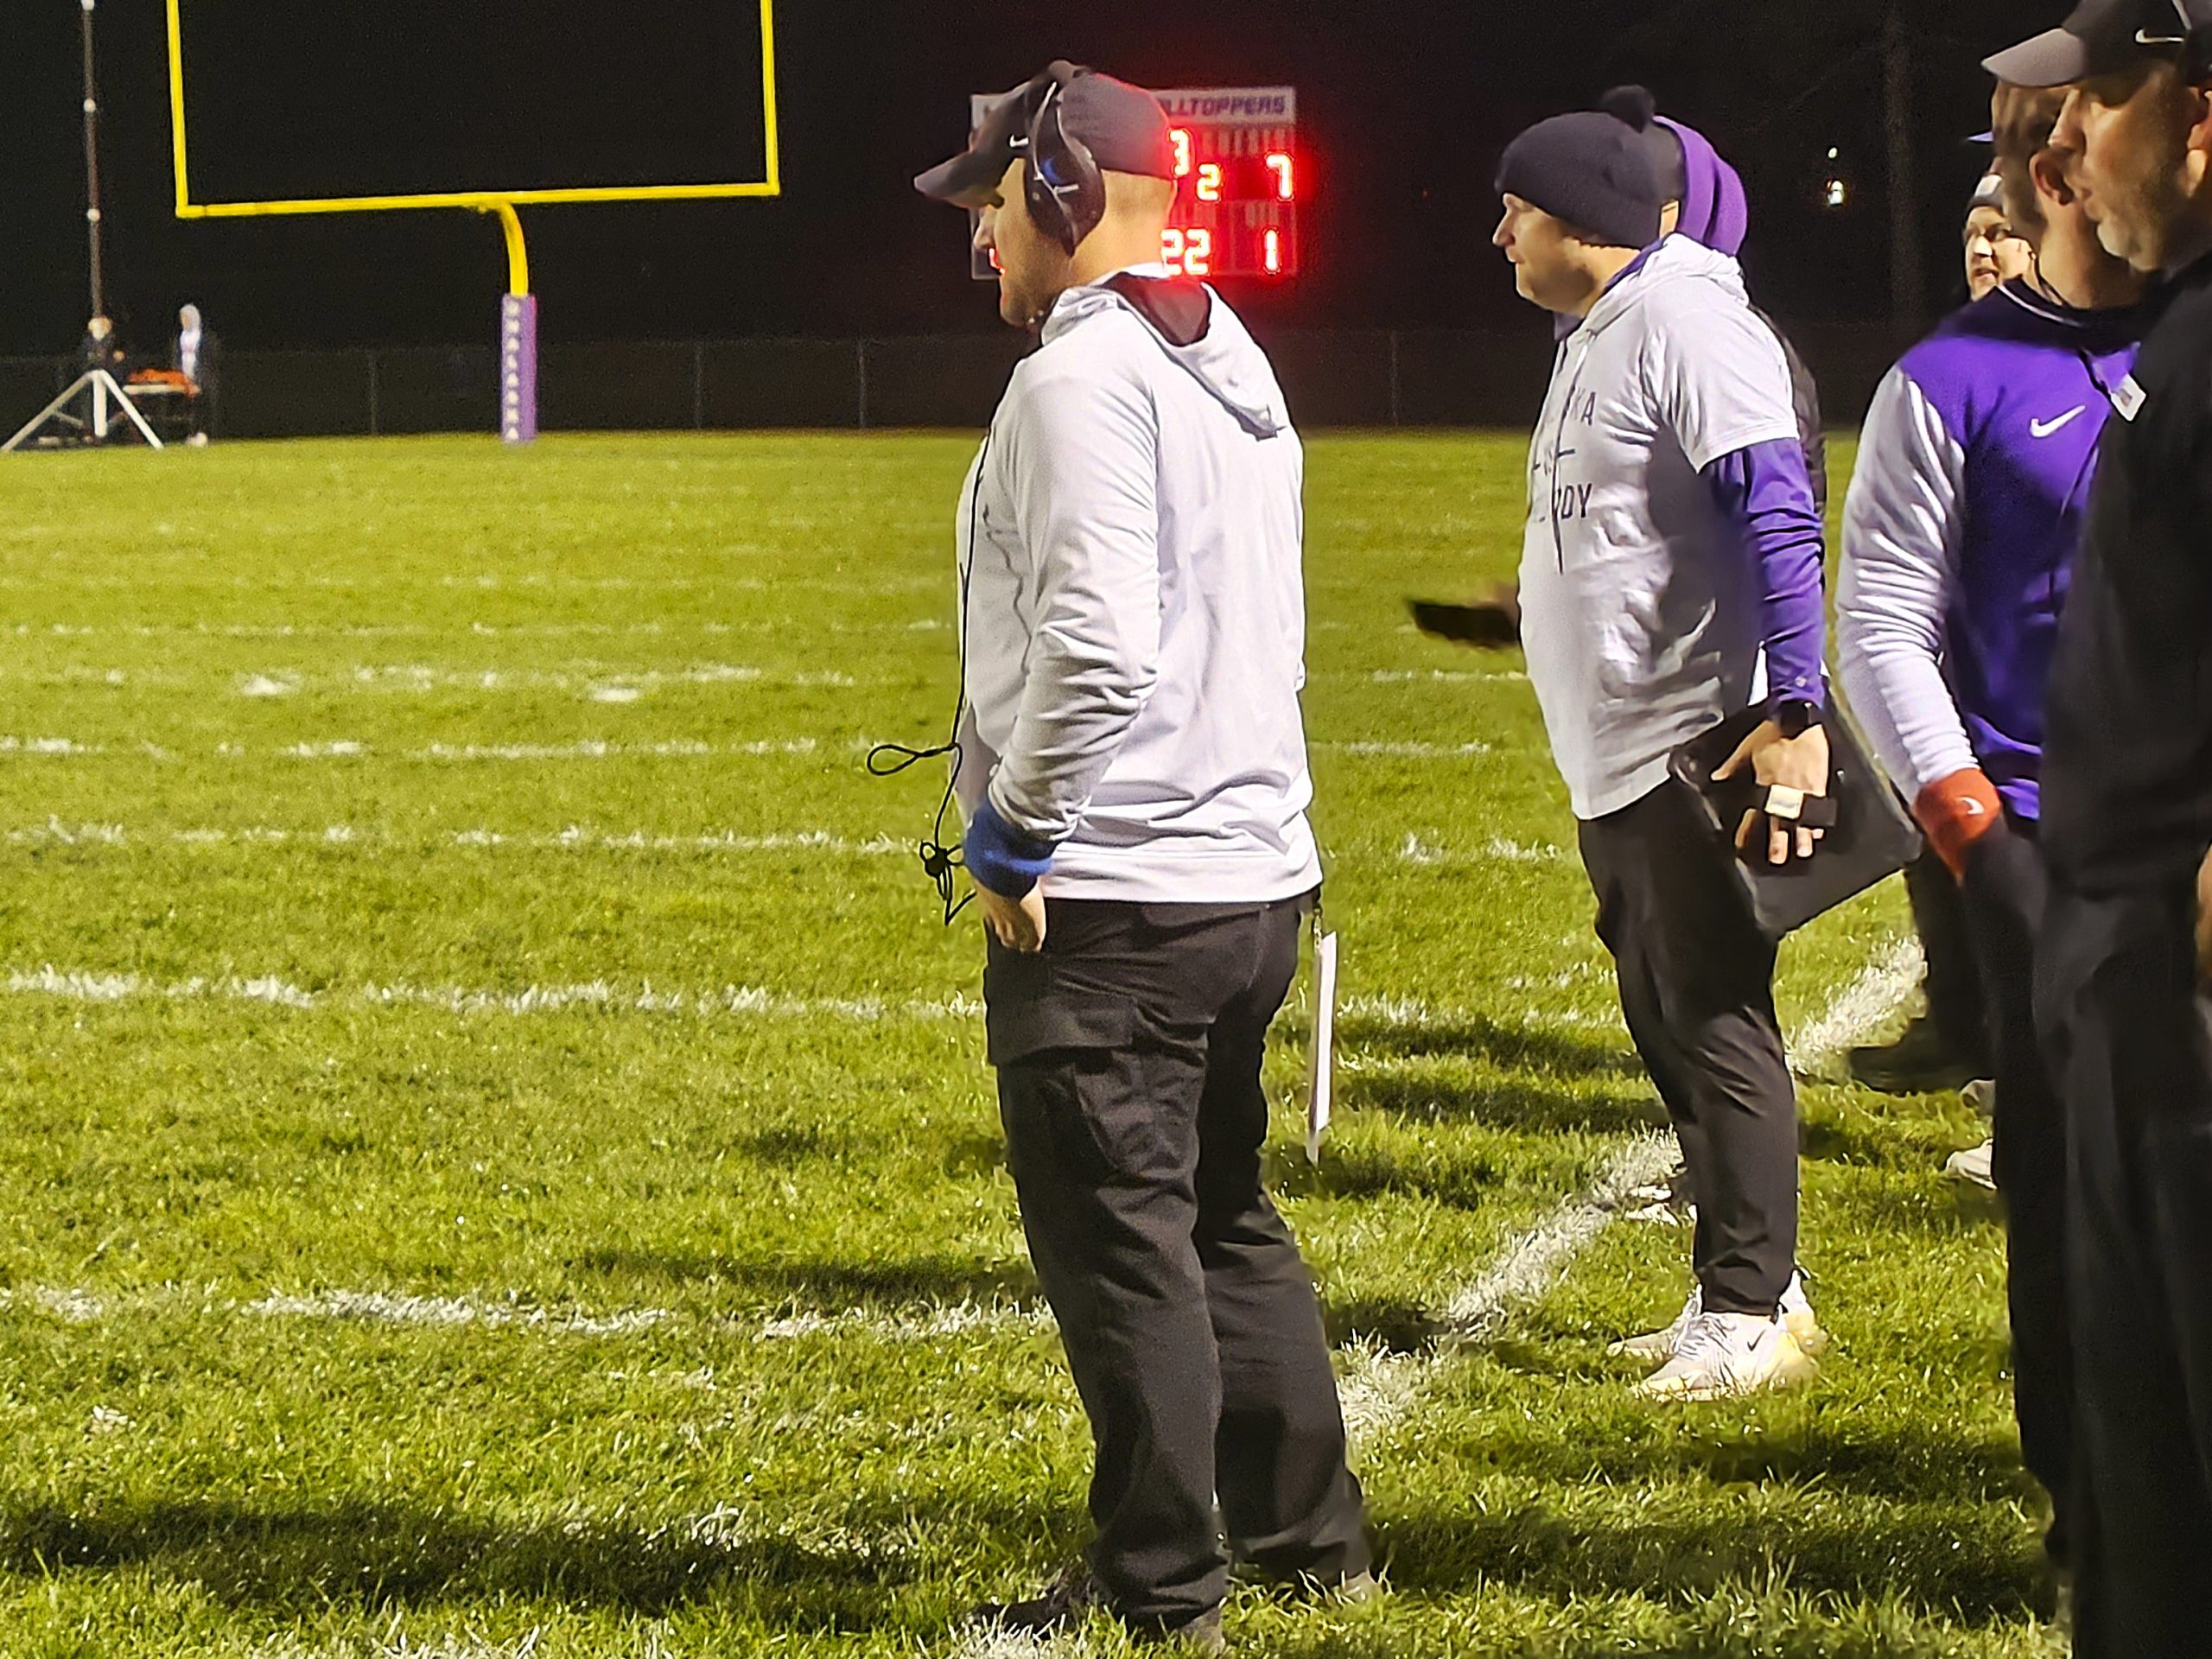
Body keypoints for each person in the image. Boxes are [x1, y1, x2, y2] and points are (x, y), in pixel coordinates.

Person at [911, 61, 1369, 1650]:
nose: (980, 242)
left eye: (991, 206)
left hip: (1122, 892)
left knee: (1126, 1248)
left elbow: (1101, 651)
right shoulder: (1233, 359)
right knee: (1227, 1216)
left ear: (1058, 196)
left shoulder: (1077, 382)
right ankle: (1313, 1541)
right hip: (1248, 872)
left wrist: (1014, 834)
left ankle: (1163, 1582)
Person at [1836, 76, 2147, 1572]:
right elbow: (1882, 620)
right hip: (2043, 851)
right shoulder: (1949, 377)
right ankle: (2085, 1494)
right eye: (2037, 143)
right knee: (2070, 1194)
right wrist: (1978, 839)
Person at [1494, 111, 1833, 1400]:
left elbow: (1779, 509)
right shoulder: (1610, 327)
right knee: (1668, 1015)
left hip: (1697, 738)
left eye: (1516, 206)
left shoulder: (1686, 321)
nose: (1500, 231)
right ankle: (1754, 1287)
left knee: (1712, 1019)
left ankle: (1748, 1312)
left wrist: (1792, 712)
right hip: (1625, 747)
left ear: (1584, 217)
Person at [1986, 2, 2212, 1649]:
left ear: (2199, 116)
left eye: (2095, 108)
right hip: (2132, 1005)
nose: (2056, 153)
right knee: (2142, 1519)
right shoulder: (2185, 327)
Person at [1966, 172, 2038, 301]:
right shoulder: (1956, 321)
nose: (1979, 249)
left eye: (1998, 233)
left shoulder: (2070, 320)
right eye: (1971, 235)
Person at [174, 303, 219, 445]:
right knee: (189, 408)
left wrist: (199, 381)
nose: (183, 321)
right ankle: (192, 434)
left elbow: (209, 361)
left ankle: (203, 434)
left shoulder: (205, 338)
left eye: (186, 318)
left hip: (203, 380)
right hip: (185, 379)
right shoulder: (180, 338)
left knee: (203, 406)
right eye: (182, 318)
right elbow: (176, 358)